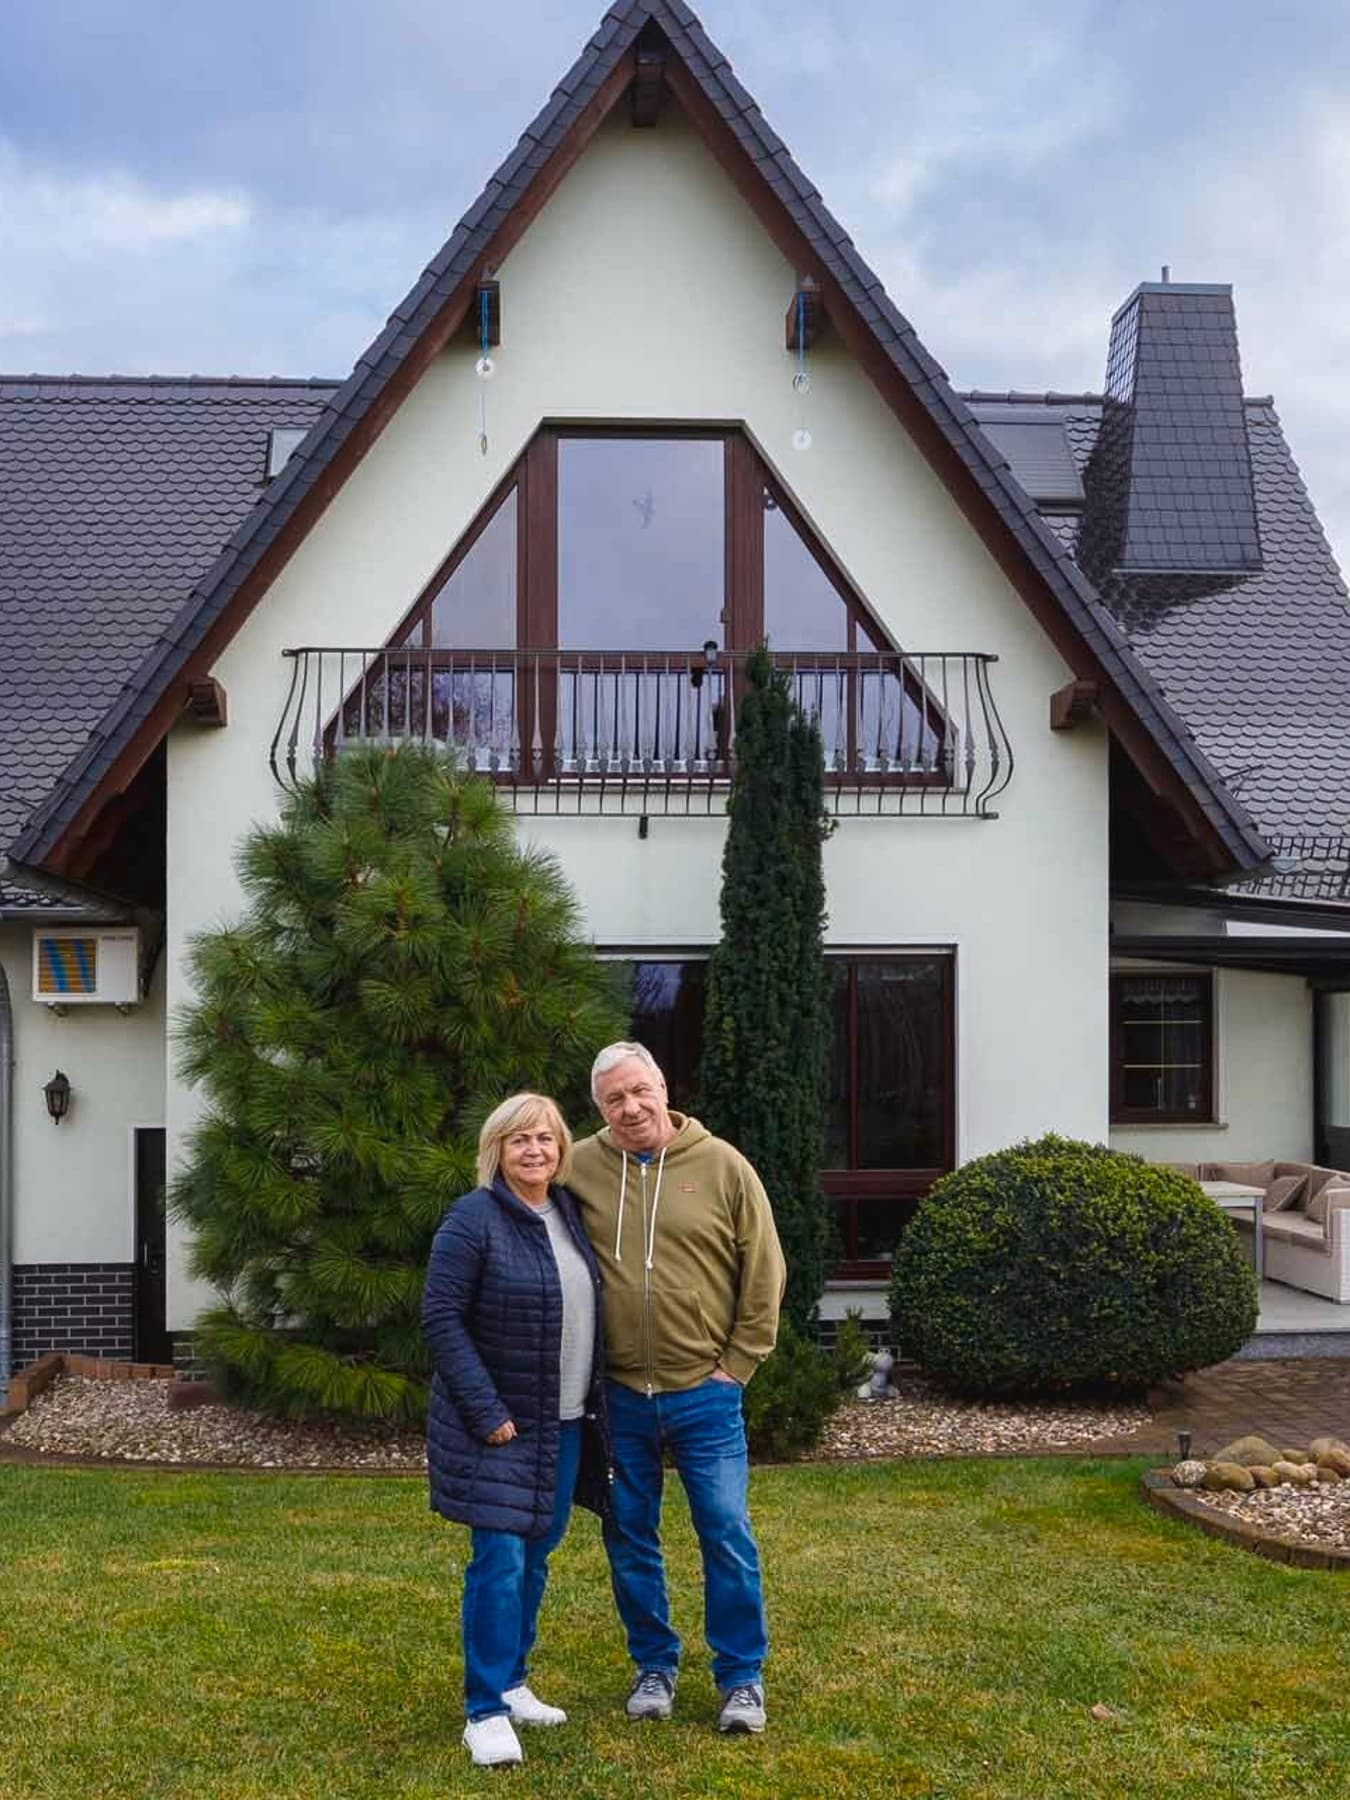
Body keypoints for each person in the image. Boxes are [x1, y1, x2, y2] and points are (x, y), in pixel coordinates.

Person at [568, 1042, 785, 1736]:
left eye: (640, 1091)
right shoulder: (577, 1166)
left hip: (703, 1393)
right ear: (599, 1108)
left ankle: (741, 1676)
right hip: (618, 1397)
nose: (630, 1107)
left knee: (725, 1530)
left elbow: (765, 1270)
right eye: (614, 1099)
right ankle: (654, 1665)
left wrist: (738, 1363)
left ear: (663, 1087)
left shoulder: (723, 1166)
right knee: (629, 1533)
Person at [422, 1092, 610, 1769]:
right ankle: (484, 1711)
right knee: (499, 1560)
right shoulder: (472, 1219)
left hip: (565, 1421)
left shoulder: (567, 1214)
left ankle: (511, 1680)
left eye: (546, 1138)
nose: (535, 1150)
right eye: (519, 1139)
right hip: (500, 1426)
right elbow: (440, 1319)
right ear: (496, 1150)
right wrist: (487, 1411)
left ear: (561, 1149)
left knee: (536, 1554)